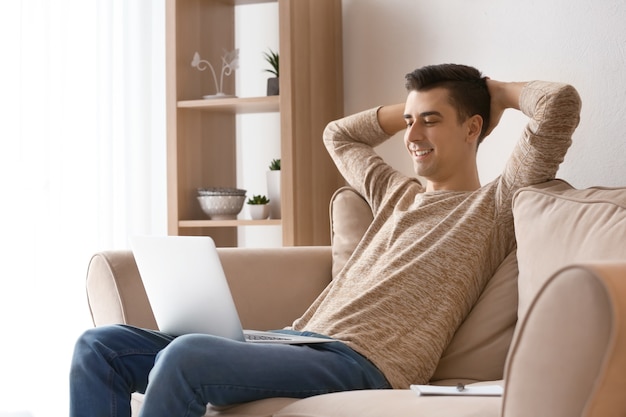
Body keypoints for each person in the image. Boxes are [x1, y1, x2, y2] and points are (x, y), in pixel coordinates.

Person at [70, 63, 581, 417]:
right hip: (296, 340)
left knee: (187, 357)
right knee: (100, 347)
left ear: (473, 129)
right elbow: (338, 134)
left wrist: (494, 92)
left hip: (363, 363)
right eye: (408, 122)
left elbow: (558, 104)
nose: (413, 135)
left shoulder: (492, 205)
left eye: (431, 120)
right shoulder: (394, 193)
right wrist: (411, 106)